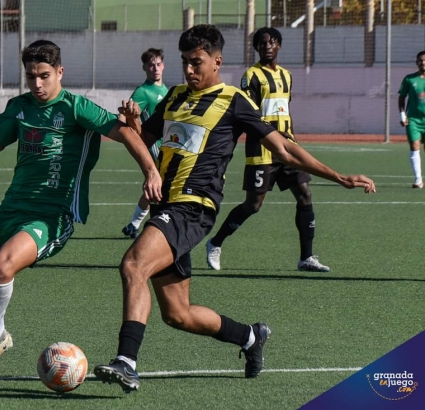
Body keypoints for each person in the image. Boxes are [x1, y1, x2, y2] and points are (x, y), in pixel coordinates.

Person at [93, 24, 375, 393]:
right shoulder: (175, 96)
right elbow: (144, 141)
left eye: (197, 63)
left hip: (192, 207)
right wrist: (133, 123)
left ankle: (126, 362)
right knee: (178, 314)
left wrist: (337, 176)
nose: (190, 70)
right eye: (185, 63)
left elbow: (285, 149)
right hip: (167, 206)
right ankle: (251, 337)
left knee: (133, 265)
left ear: (217, 61)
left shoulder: (234, 100)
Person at [0, 40, 161, 375]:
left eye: (44, 75)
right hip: (12, 206)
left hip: (53, 212)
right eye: (31, 76)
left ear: (59, 72)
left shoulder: (76, 107)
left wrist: (151, 171)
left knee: (3, 266)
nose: (37, 84)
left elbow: (124, 133)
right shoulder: (19, 107)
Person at [205, 27, 329, 273]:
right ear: (257, 48)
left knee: (305, 195)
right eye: (262, 44)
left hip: (288, 147)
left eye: (271, 42)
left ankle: (306, 257)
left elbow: (285, 109)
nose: (267, 46)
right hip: (262, 148)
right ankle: (215, 243)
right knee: (253, 205)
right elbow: (247, 113)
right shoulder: (251, 75)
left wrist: (292, 139)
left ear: (279, 45)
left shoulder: (287, 75)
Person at [121, 48, 168, 238]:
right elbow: (126, 117)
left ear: (163, 66)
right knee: (161, 186)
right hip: (153, 147)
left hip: (167, 145)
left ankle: (133, 225)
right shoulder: (142, 91)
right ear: (144, 68)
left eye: (158, 64)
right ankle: (153, 225)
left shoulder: (165, 90)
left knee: (154, 187)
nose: (155, 68)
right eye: (150, 64)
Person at [398, 50, 425, 189]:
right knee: (414, 146)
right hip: (413, 119)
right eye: (420, 60)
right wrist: (402, 114)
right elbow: (402, 98)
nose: (423, 62)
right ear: (417, 63)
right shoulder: (409, 79)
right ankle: (418, 180)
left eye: (424, 60)